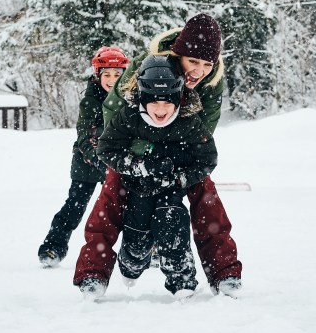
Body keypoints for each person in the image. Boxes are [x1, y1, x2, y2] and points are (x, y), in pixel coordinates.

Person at [74, 13, 243, 297]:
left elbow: (205, 133)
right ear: (178, 54)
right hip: (133, 146)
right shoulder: (145, 67)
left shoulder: (212, 83)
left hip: (181, 148)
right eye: (193, 62)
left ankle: (224, 273)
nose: (198, 71)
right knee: (110, 198)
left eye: (206, 64)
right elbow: (113, 112)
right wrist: (144, 157)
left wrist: (179, 166)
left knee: (206, 197)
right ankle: (93, 273)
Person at [83, 55, 217, 299]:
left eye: (168, 103)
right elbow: (107, 149)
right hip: (137, 189)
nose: (161, 110)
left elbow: (207, 159)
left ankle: (182, 280)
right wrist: (138, 166)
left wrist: (180, 179)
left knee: (174, 222)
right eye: (154, 103)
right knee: (137, 236)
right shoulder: (129, 116)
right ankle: (130, 264)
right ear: (143, 98)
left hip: (171, 187)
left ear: (178, 98)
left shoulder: (188, 121)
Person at [37, 46, 129, 267]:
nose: (111, 80)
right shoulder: (90, 100)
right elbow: (85, 136)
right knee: (75, 205)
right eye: (106, 74)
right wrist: (100, 161)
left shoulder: (129, 97)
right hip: (87, 163)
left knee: (133, 206)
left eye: (117, 75)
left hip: (118, 162)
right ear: (98, 75)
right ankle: (53, 246)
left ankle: (145, 249)